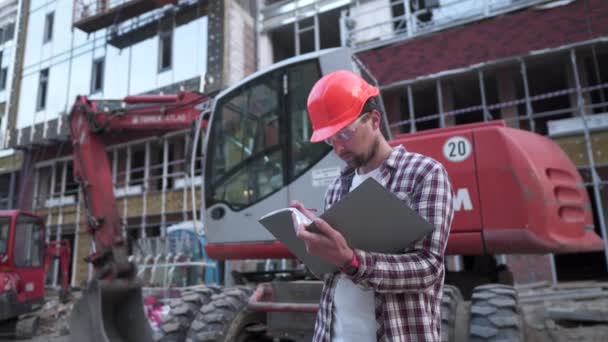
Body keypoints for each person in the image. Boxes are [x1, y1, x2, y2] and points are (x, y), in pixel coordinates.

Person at [290, 70, 454, 342]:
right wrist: (315, 245)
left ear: (374, 120)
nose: (338, 148)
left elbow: (428, 268)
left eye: (344, 133)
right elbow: (331, 274)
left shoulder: (424, 174)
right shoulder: (336, 188)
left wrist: (351, 260)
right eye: (330, 140)